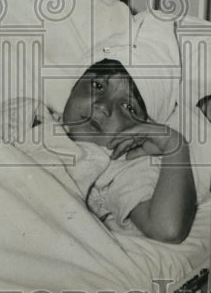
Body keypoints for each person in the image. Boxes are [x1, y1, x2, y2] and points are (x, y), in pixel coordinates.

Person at [61, 58, 196, 243]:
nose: (103, 106)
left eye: (128, 107)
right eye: (98, 85)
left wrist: (175, 145)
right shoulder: (31, 114)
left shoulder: (116, 167)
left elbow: (167, 229)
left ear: (141, 130)